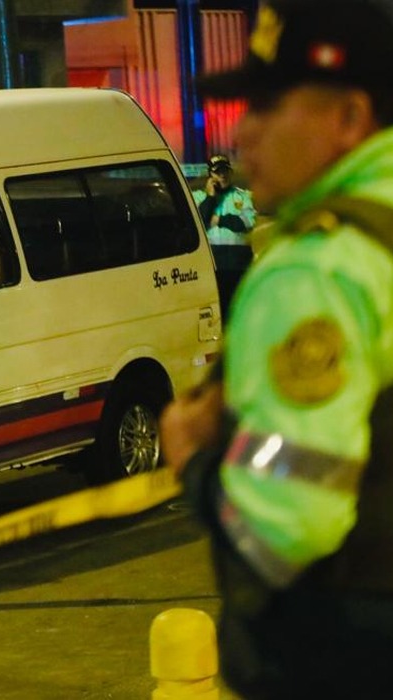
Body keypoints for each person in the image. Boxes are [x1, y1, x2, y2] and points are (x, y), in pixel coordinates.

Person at [160, 0, 393, 697]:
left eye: (266, 106)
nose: (242, 134)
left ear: (349, 117)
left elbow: (290, 520)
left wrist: (202, 463)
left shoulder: (317, 270)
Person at [193, 154, 257, 313]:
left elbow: (247, 223)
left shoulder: (243, 196)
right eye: (217, 172)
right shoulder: (199, 197)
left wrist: (219, 219)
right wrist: (210, 198)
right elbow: (199, 222)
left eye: (225, 171)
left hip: (239, 265)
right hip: (214, 266)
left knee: (240, 310)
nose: (222, 175)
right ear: (210, 175)